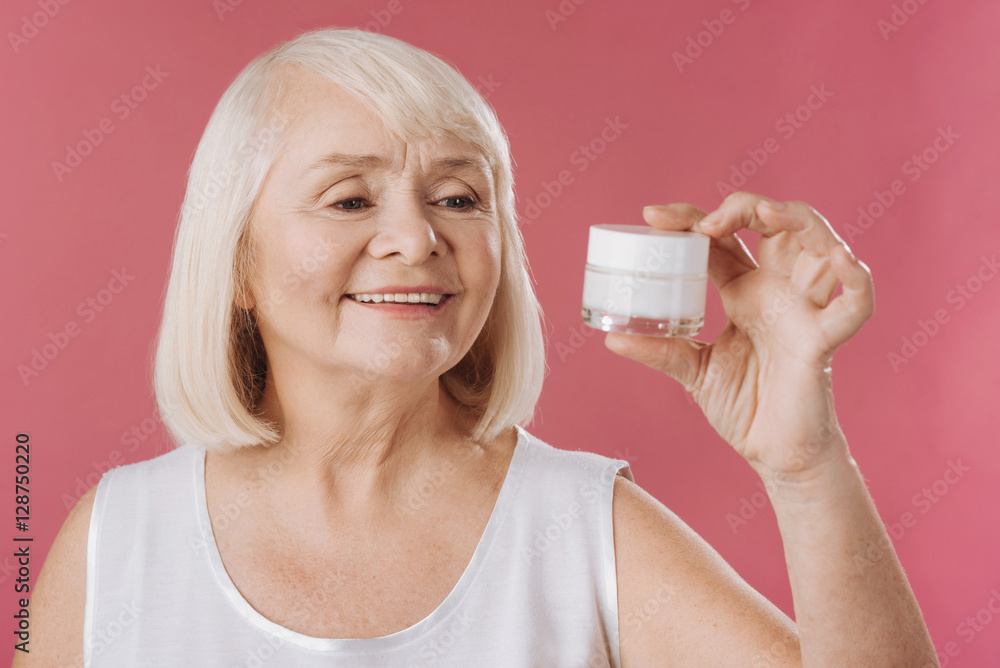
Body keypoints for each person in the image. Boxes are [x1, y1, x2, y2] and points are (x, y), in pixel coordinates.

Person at [20, 27, 937, 667]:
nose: (416, 238)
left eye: (459, 198)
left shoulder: (580, 529)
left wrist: (805, 463)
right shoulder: (115, 540)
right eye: (350, 198)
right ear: (237, 262)